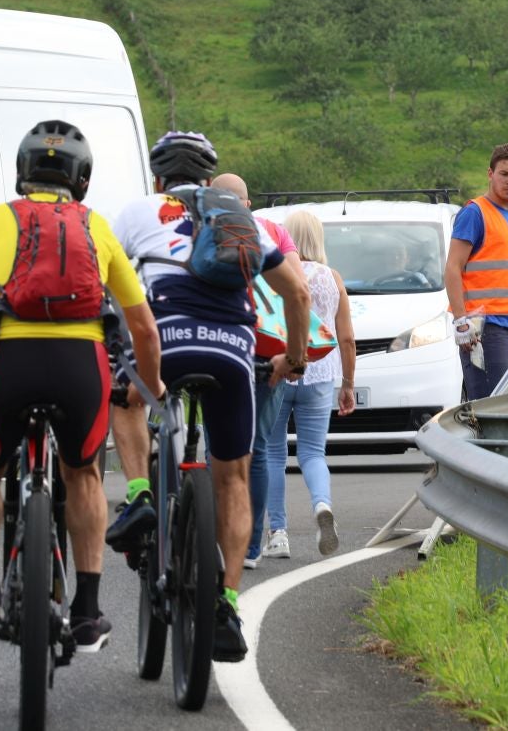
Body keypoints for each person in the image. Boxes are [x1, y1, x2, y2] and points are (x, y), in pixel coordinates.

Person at [0, 120, 164, 653]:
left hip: (10, 361)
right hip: (81, 366)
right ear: (82, 180)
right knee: (84, 475)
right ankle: (89, 610)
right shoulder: (97, 228)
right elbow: (142, 326)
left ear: (23, 172)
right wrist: (150, 383)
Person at [105, 132, 310, 663]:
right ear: (208, 175)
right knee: (234, 476)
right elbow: (299, 293)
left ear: (158, 179)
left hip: (164, 344)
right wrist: (295, 355)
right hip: (232, 352)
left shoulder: (137, 211)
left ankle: (138, 496)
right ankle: (226, 602)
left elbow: (104, 277)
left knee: (124, 399)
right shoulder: (243, 219)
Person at [205, 172, 306, 569]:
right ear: (247, 203)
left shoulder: (204, 229)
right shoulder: (276, 233)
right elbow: (297, 286)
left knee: (219, 445)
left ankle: (216, 539)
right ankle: (248, 547)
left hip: (222, 344)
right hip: (270, 350)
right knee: (259, 446)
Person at [262, 211, 356, 559]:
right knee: (314, 453)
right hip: (320, 374)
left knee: (273, 452)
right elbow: (346, 338)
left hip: (281, 369)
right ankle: (321, 506)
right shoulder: (333, 278)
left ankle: (278, 533)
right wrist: (348, 383)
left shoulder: (278, 274)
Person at [444, 142, 508, 400]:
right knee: (491, 407)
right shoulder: (475, 213)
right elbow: (452, 267)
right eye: (504, 174)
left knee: (506, 406)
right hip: (484, 329)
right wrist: (461, 321)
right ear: (490, 174)